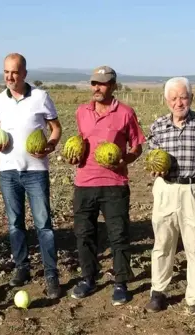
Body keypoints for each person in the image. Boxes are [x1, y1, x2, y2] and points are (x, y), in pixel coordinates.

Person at [145, 77, 195, 315]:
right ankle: (158, 291)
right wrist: (154, 167)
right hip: (165, 188)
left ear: (191, 97)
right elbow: (152, 157)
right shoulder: (158, 126)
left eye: (183, 97)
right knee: (162, 242)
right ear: (166, 100)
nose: (179, 102)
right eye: (174, 98)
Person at [67, 66, 146, 306]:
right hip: (84, 182)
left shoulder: (125, 113)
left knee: (119, 235)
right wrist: (73, 156)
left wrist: (126, 159)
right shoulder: (82, 112)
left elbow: (137, 146)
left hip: (115, 184)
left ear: (113, 86)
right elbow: (79, 142)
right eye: (93, 83)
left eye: (101, 84)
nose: (96, 88)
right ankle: (88, 278)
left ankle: (121, 282)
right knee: (84, 234)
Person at [0, 53, 63, 298]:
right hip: (8, 171)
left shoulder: (40, 97)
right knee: (15, 224)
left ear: (24, 74)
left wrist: (50, 146)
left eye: (15, 72)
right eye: (6, 72)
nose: (10, 77)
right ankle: (22, 268)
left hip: (36, 171)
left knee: (44, 225)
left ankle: (51, 274)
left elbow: (56, 128)